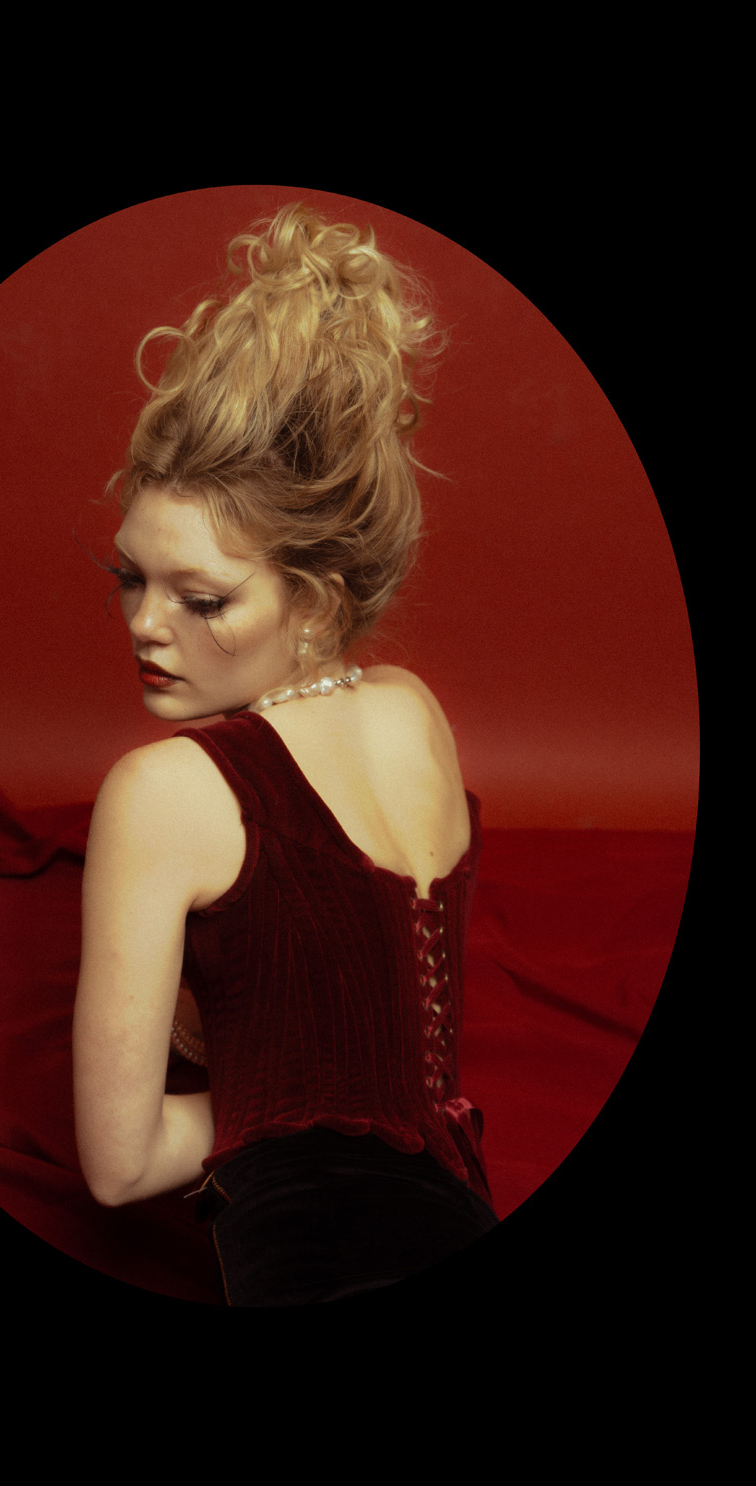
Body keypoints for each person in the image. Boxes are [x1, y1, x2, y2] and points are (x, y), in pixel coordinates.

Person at [72, 203, 498, 1305]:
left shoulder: (165, 790)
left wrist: (291, 1104)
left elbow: (119, 1165)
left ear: (315, 602)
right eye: (130, 577)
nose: (145, 624)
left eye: (203, 598)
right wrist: (370, 1091)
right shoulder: (415, 712)